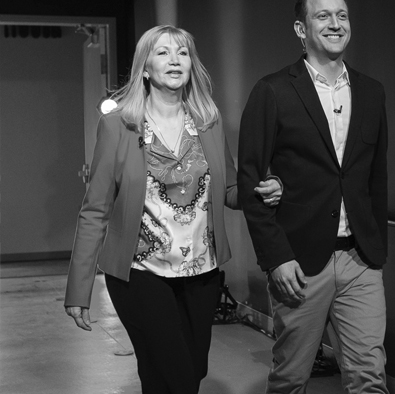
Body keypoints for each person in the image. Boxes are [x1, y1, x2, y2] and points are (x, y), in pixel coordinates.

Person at [64, 25, 282, 394]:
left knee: (187, 373)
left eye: (182, 52)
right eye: (163, 52)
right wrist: (78, 289)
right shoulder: (118, 125)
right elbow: (95, 210)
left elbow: (230, 191)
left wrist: (262, 191)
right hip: (140, 274)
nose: (175, 60)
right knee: (175, 374)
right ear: (145, 67)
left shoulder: (208, 122)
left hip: (201, 273)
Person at [238, 0, 389, 393]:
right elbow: (249, 181)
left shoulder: (371, 92)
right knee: (291, 379)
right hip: (299, 264)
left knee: (370, 377)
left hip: (360, 260)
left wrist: (377, 248)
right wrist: (276, 258)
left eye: (342, 15)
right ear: (301, 29)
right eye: (323, 16)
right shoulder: (272, 90)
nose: (335, 24)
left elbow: (376, 178)